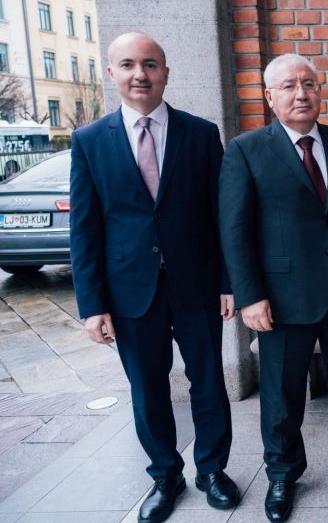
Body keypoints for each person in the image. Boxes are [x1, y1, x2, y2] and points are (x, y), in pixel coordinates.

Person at [218, 53, 328, 522]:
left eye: (309, 84)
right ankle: (282, 472)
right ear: (270, 96)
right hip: (281, 298)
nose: (301, 93)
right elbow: (234, 230)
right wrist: (249, 296)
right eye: (289, 86)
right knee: (281, 392)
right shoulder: (246, 149)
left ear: (319, 91)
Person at [70, 32, 240, 523]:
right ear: (111, 73)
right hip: (128, 291)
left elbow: (221, 215)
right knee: (147, 388)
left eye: (150, 64)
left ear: (165, 71)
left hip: (196, 284)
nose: (139, 74)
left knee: (208, 382)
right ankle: (165, 475)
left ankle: (212, 470)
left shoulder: (200, 134)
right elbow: (84, 229)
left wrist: (228, 282)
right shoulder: (89, 141)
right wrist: (92, 305)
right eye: (128, 64)